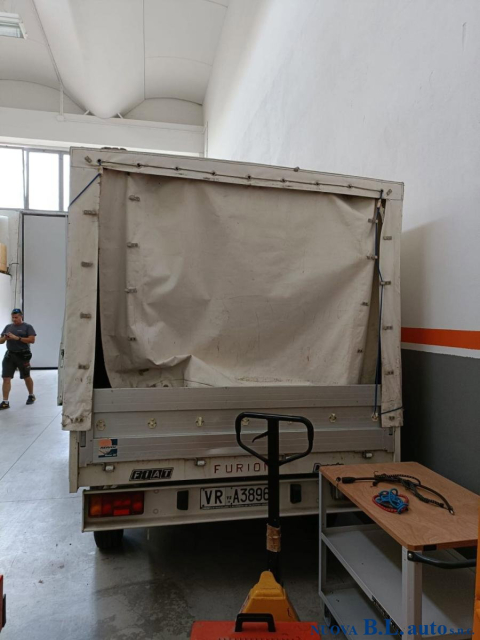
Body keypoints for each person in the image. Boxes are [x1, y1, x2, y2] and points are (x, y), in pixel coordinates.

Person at [0, 309, 36, 409]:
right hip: (10, 355)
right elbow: (0, 341)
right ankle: (5, 401)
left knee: (26, 376)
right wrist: (5, 338)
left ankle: (31, 395)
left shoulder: (27, 327)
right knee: (6, 378)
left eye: (16, 317)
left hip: (22, 355)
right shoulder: (8, 327)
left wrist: (17, 338)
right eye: (13, 317)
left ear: (21, 316)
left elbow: (32, 340)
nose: (14, 319)